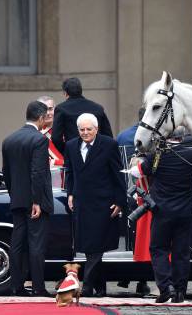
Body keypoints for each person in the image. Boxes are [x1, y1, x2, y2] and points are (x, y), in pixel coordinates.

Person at [129, 128, 192, 303]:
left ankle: (166, 287)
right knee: (181, 252)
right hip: (186, 211)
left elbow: (137, 172)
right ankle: (180, 291)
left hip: (162, 211)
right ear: (182, 137)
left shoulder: (157, 156)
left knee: (159, 249)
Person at [64, 113, 126, 297]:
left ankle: (87, 286)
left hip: (103, 204)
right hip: (82, 203)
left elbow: (118, 175)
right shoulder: (71, 145)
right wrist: (70, 193)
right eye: (81, 129)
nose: (85, 133)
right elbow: (70, 173)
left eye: (88, 129)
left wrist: (120, 201)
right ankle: (101, 288)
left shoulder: (109, 144)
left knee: (97, 246)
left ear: (96, 129)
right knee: (90, 247)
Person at [2, 101, 54, 297]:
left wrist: (15, 195)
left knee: (17, 244)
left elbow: (6, 173)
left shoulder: (9, 140)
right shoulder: (39, 140)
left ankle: (16, 286)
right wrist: (37, 201)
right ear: (40, 118)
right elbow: (38, 173)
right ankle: (38, 287)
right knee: (36, 245)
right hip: (35, 203)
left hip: (17, 200)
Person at [52, 77, 113, 154]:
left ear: (65, 93)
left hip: (74, 153)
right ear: (81, 91)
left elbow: (56, 138)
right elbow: (108, 135)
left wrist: (66, 151)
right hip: (98, 153)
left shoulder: (61, 109)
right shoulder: (98, 108)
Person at [37, 95, 64, 167]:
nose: (48, 113)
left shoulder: (65, 130)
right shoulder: (35, 135)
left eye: (50, 109)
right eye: (44, 110)